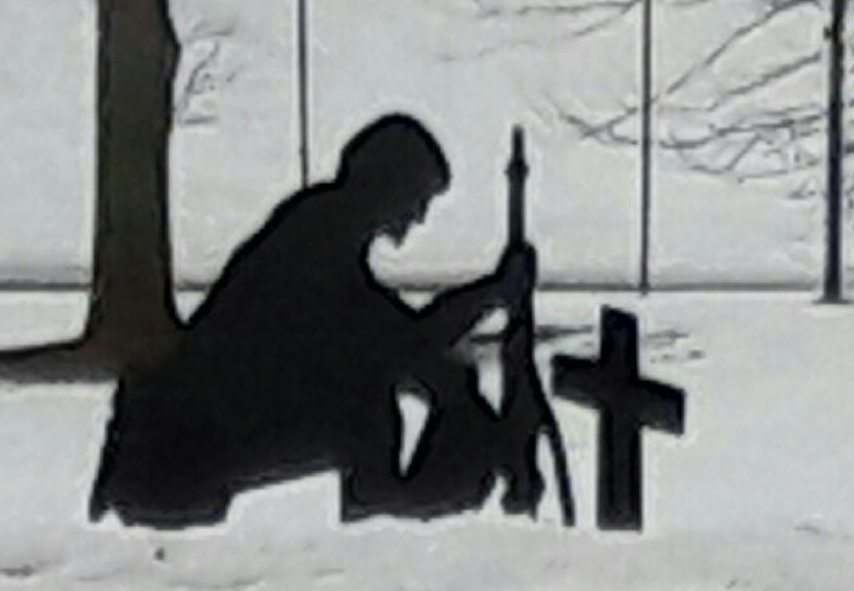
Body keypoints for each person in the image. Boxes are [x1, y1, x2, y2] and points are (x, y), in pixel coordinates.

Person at [89, 114, 539, 527]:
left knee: (429, 378)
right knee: (367, 401)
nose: (417, 216)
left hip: (218, 421)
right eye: (417, 197)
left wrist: (488, 304)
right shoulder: (319, 235)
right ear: (387, 182)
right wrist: (493, 294)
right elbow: (402, 341)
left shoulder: (325, 224)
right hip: (192, 442)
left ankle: (423, 495)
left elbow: (403, 337)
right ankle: (387, 508)